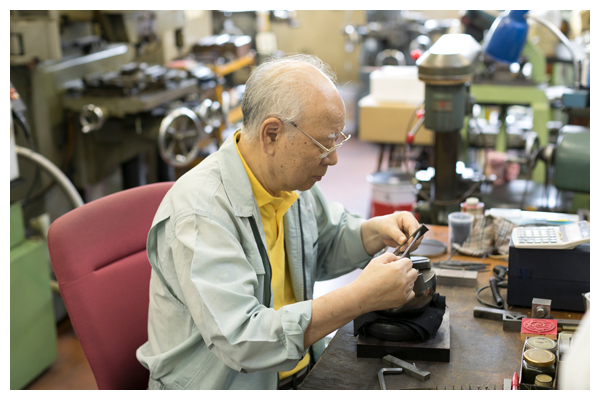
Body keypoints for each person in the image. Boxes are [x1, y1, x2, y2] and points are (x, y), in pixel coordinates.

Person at [136, 54, 421, 390]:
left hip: (298, 370)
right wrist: (360, 298)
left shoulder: (289, 185)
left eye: (338, 139)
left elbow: (324, 242)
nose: (333, 157)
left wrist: (374, 231)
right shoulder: (201, 214)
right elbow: (244, 341)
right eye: (323, 142)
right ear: (271, 134)